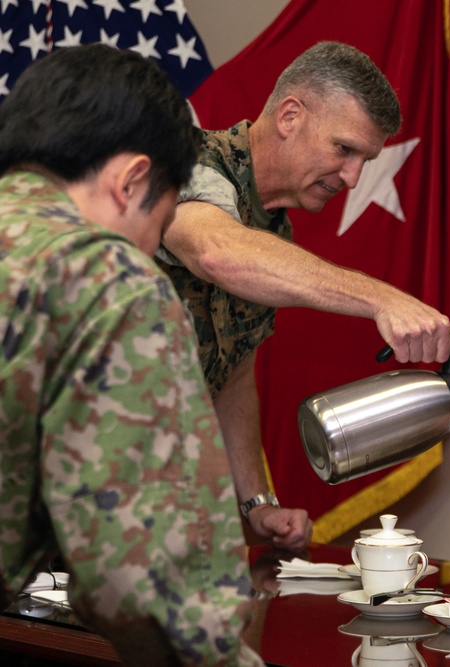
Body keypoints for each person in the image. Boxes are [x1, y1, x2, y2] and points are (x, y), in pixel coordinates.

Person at [0, 45, 263, 666]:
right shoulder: (105, 279)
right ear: (132, 181)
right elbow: (145, 583)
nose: (149, 254)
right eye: (162, 224)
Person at [156, 41, 450, 550]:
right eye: (343, 150)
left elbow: (232, 377)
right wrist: (381, 299)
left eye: (364, 160)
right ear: (290, 116)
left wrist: (258, 505)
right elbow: (215, 251)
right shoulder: (187, 160)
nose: (351, 177)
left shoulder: (273, 237)